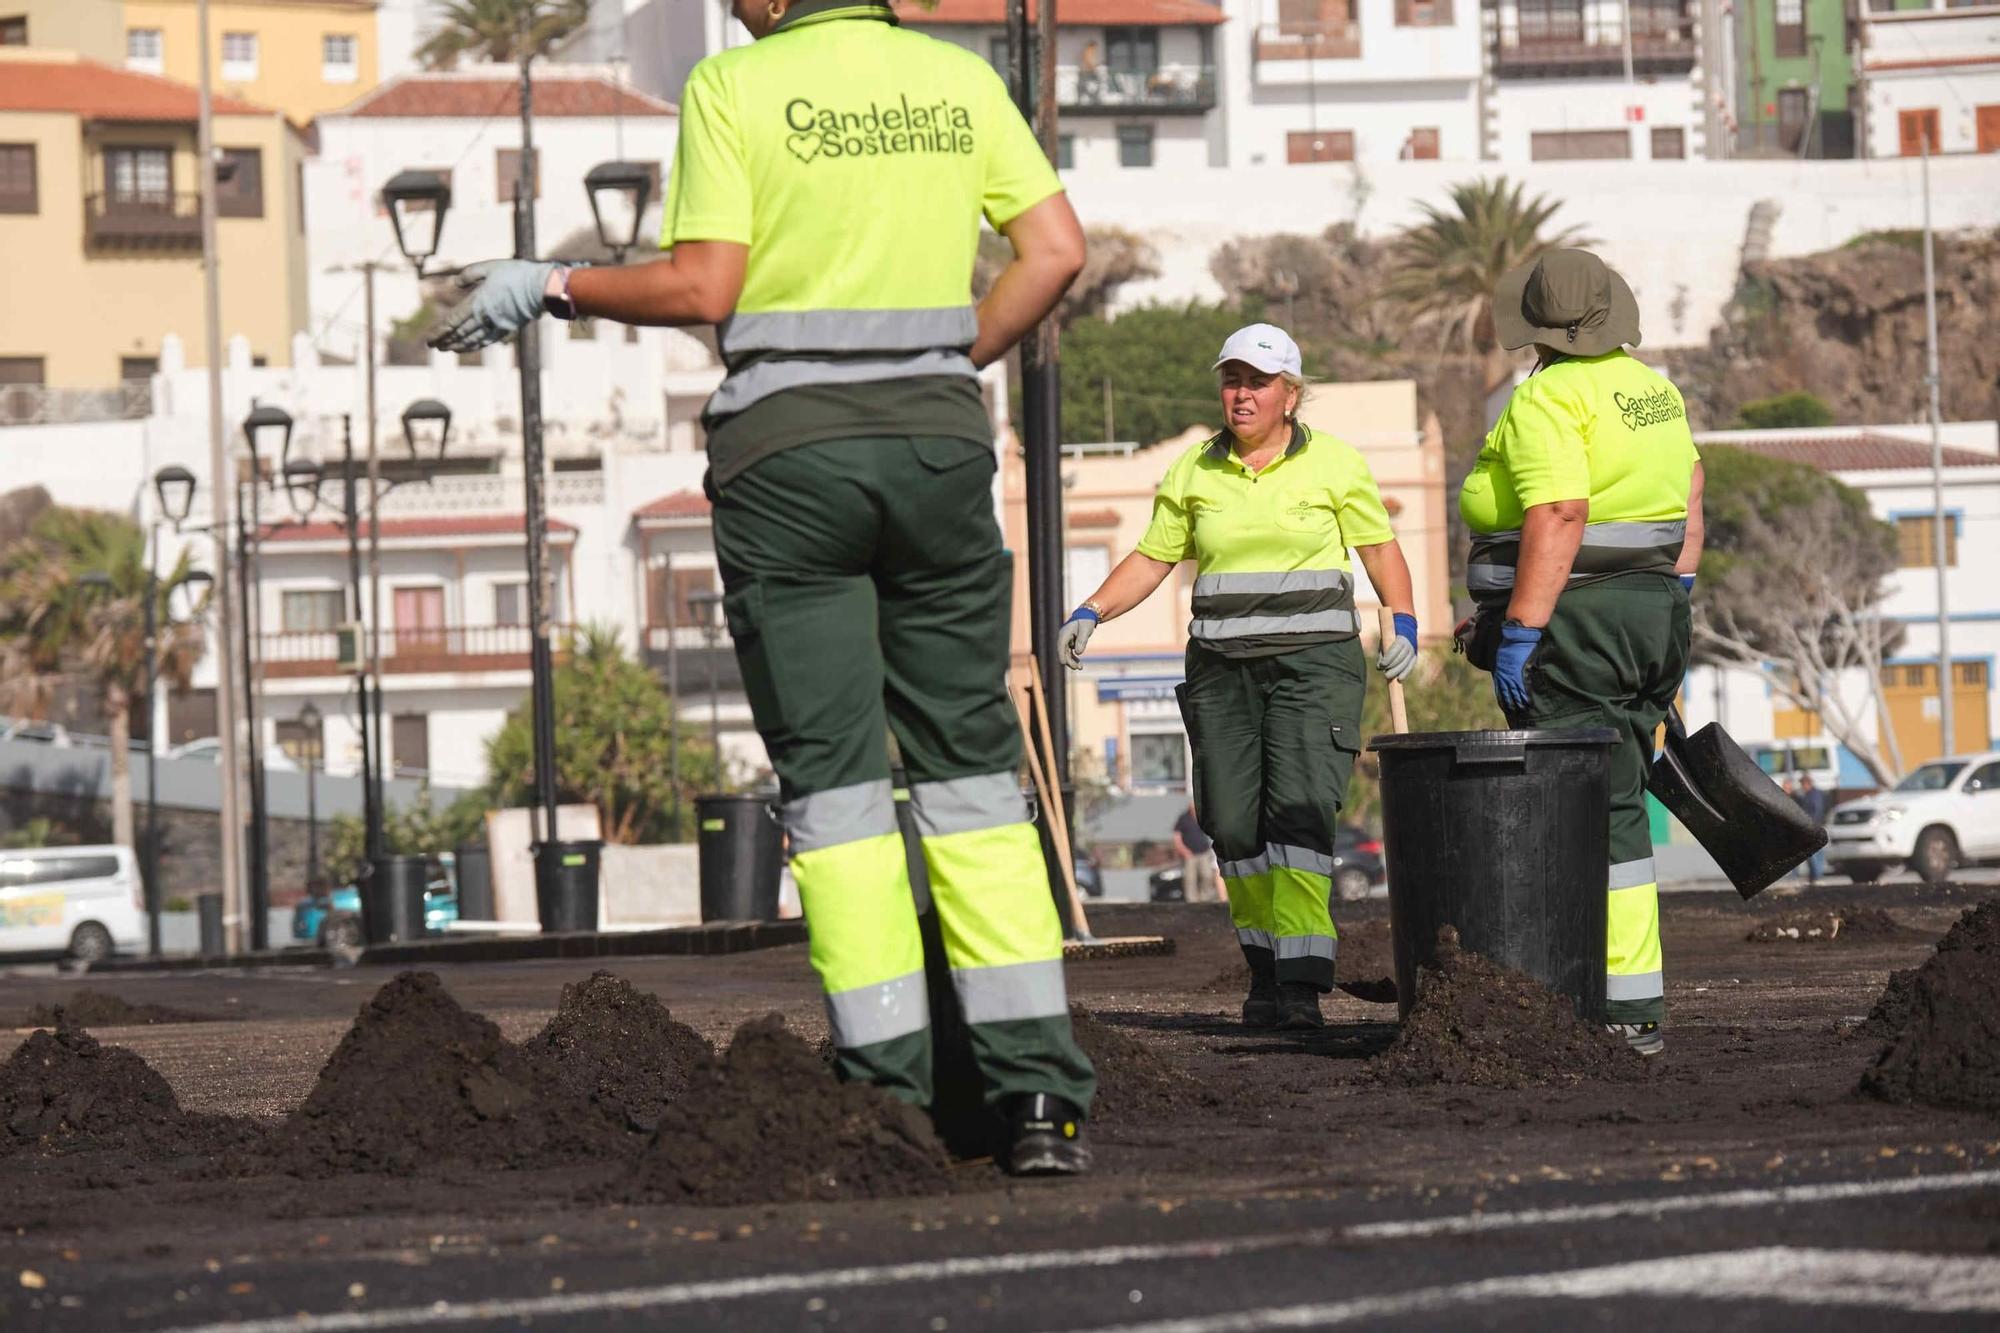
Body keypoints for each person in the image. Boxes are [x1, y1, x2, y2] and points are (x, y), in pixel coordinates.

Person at [427, 0, 1096, 1175]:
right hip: (938, 446)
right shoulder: (953, 80)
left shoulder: (734, 88)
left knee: (837, 791)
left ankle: (884, 1092)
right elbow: (1055, 252)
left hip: (788, 461)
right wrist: (945, 364)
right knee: (974, 773)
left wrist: (552, 284)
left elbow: (706, 289)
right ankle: (1039, 1098)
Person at [1058, 324, 1419, 1031]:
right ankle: (1264, 966)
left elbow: (1381, 549)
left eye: (1257, 381)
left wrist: (1402, 620)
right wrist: (1091, 609)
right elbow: (1154, 556)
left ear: (1291, 394)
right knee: (1229, 821)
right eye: (1232, 380)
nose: (1241, 393)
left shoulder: (1336, 465)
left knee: (1298, 815)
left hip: (1313, 669)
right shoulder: (1194, 470)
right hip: (1221, 672)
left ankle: (1302, 981)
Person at [1459, 248, 1702, 1057]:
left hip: (1576, 624)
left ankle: (1623, 1009)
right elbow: (1691, 498)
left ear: (1534, 324)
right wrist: (1672, 597)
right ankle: (1620, 998)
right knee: (1619, 795)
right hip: (1649, 613)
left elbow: (1560, 511)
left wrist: (1522, 629)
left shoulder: (1549, 398)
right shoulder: (1653, 391)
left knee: (1591, 810)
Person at [1172, 800, 1218, 902]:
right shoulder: (1183, 819)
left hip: (1204, 852)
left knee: (1207, 875)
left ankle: (1205, 898)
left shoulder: (1204, 817)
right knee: (1190, 879)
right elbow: (1176, 837)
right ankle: (1192, 901)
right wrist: (1184, 851)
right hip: (1190, 854)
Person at [1793, 774, 1830, 884]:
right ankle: (1814, 876)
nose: (1802, 786)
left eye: (1802, 784)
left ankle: (1817, 876)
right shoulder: (1809, 794)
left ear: (1807, 783)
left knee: (1814, 853)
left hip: (1814, 826)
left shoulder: (1814, 795)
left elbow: (1816, 810)